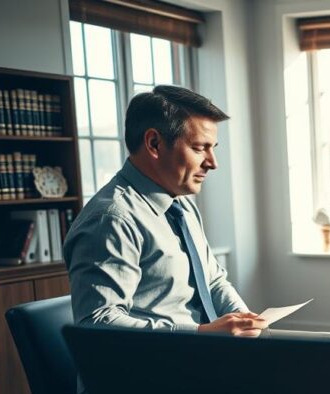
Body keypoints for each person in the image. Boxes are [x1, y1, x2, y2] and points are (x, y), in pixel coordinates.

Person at [64, 86, 264, 337]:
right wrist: (201, 334)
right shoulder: (112, 220)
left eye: (213, 148)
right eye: (200, 148)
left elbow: (213, 282)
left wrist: (247, 323)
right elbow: (98, 324)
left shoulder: (183, 207)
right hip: (153, 372)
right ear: (154, 143)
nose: (213, 162)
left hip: (200, 360)